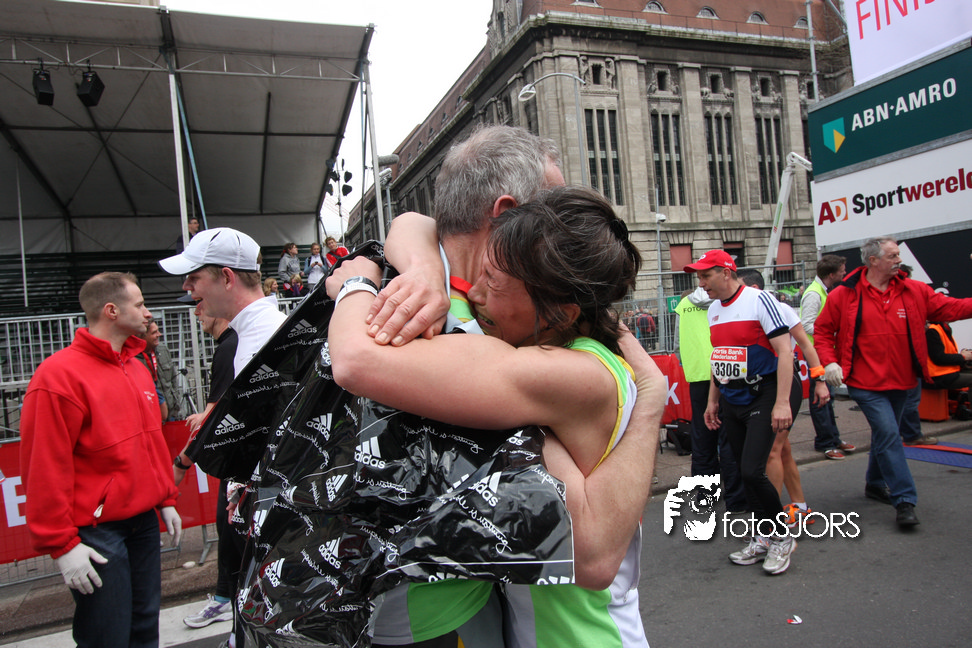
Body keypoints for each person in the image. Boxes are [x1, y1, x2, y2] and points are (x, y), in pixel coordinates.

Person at [361, 125, 664, 647]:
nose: (479, 293)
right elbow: (413, 222)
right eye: (549, 206)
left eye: (495, 282)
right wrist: (422, 263)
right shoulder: (480, 309)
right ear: (505, 216)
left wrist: (354, 283)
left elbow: (593, 555)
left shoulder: (556, 367)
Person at [19, 272, 181, 648]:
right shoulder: (58, 376)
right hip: (96, 531)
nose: (147, 312)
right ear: (112, 311)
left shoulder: (136, 367)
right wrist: (62, 545)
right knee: (106, 635)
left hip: (141, 522)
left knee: (144, 627)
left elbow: (150, 442)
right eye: (139, 304)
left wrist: (165, 498)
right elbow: (44, 465)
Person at [160, 226, 288, 648]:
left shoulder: (262, 337)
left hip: (272, 520)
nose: (187, 287)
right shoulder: (252, 332)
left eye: (194, 277)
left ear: (227, 278)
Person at [815, 237, 972, 528]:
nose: (899, 260)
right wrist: (829, 362)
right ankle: (904, 500)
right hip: (865, 383)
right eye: (892, 255)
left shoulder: (914, 290)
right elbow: (823, 331)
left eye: (898, 254)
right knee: (889, 434)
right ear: (873, 260)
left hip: (904, 382)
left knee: (885, 435)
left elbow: (951, 308)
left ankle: (875, 483)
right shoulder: (844, 294)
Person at [689, 251, 830, 575]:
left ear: (726, 273)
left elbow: (785, 352)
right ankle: (763, 536)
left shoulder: (759, 300)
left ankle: (782, 536)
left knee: (755, 470)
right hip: (733, 396)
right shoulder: (713, 310)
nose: (701, 282)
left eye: (705, 275)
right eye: (699, 276)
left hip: (764, 393)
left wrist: (782, 401)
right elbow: (719, 359)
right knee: (744, 472)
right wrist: (712, 401)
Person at [177, 306, 242, 631]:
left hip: (240, 465)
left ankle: (231, 603)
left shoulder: (231, 345)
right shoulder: (229, 345)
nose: (196, 312)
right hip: (237, 463)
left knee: (231, 532)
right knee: (226, 530)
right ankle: (224, 598)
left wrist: (182, 462)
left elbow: (218, 415)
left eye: (200, 302)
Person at [737, 268, 816, 527]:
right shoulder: (741, 311)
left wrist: (820, 380)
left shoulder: (779, 308)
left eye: (739, 286)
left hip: (785, 384)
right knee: (783, 449)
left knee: (772, 450)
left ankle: (771, 520)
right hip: (762, 386)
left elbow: (805, 343)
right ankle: (800, 505)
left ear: (753, 289)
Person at [674, 286, 746, 512]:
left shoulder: (684, 305)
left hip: (697, 376)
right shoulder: (724, 300)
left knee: (701, 435)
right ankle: (737, 499)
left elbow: (678, 345)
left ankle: (705, 496)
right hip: (726, 372)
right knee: (729, 435)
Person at [800, 255, 856, 459]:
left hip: (822, 352)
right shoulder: (814, 294)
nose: (845, 273)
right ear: (832, 274)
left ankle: (833, 438)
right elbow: (806, 324)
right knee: (821, 398)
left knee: (828, 397)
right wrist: (831, 333)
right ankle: (825, 442)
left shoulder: (821, 291)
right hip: (816, 354)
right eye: (842, 270)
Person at [136, 318, 169, 422]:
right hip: (151, 416)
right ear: (143, 336)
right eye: (154, 332)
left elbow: (172, 380)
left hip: (171, 412)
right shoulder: (133, 359)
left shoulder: (163, 350)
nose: (159, 334)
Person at [926, 320, 972, 389]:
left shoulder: (943, 329)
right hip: (939, 376)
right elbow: (939, 358)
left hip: (947, 372)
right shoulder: (933, 331)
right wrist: (963, 357)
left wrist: (964, 357)